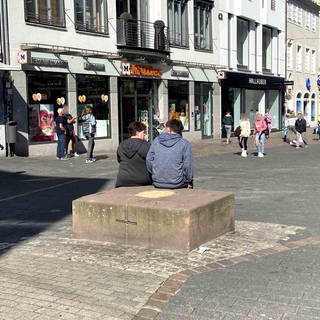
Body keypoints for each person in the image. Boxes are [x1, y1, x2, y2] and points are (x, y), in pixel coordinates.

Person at [146, 119, 193, 189]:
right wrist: (189, 180)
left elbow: (149, 160)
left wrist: (155, 172)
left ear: (168, 129)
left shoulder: (156, 141)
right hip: (177, 182)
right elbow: (187, 165)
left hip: (157, 181)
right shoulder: (184, 143)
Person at [115, 121, 152, 187]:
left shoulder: (122, 145)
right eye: (144, 132)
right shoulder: (146, 145)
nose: (145, 135)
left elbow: (119, 160)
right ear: (137, 133)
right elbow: (152, 162)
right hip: (143, 180)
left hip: (122, 180)